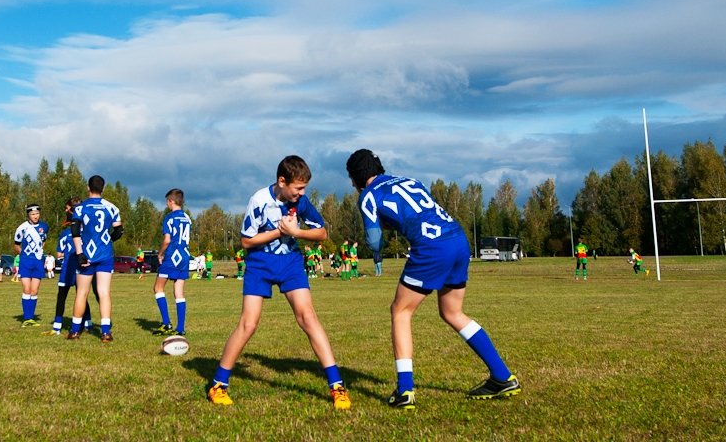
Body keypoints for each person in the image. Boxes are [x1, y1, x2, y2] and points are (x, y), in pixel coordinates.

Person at [346, 149, 521, 409]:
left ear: (355, 178)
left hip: (431, 247)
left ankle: (405, 391)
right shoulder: (409, 181)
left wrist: (379, 242)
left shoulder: (368, 195)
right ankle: (502, 376)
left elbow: (374, 241)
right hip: (457, 238)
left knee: (400, 311)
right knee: (452, 311)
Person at [207, 155, 350, 410]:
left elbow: (322, 233)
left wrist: (297, 233)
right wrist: (279, 232)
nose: (302, 193)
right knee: (248, 324)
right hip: (259, 264)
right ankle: (218, 385)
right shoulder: (259, 200)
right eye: (298, 188)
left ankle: (337, 387)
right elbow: (246, 241)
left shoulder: (301, 202)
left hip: (291, 264)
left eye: (304, 188)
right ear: (281, 181)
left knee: (308, 318)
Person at [67, 175, 122, 342]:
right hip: (105, 254)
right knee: (104, 292)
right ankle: (106, 332)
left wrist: (79, 253)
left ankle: (75, 331)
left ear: (87, 187)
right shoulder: (112, 208)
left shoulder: (80, 208)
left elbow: (75, 232)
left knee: (82, 292)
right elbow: (119, 231)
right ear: (103, 188)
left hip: (86, 254)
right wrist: (107, 241)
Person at [45, 198, 98, 336]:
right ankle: (88, 324)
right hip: (83, 267)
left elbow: (59, 253)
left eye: (67, 208)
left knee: (62, 296)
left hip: (69, 268)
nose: (65, 211)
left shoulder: (66, 233)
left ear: (72, 210)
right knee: (82, 295)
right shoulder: (88, 231)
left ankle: (57, 326)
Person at [153, 189, 192, 336]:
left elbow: (167, 240)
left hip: (172, 256)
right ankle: (180, 328)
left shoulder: (169, 218)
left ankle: (166, 323)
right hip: (184, 255)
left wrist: (160, 253)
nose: (166, 204)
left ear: (171, 201)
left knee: (158, 288)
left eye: (167, 201)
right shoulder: (187, 218)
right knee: (179, 292)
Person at [14, 203, 49, 327]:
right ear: (28, 215)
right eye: (33, 214)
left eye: (37, 213)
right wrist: (24, 255)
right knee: (26, 289)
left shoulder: (44, 226)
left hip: (38, 261)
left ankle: (31, 318)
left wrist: (38, 252)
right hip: (25, 262)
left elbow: (43, 240)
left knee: (34, 291)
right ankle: (26, 317)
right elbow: (16, 244)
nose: (35, 216)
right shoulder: (22, 228)